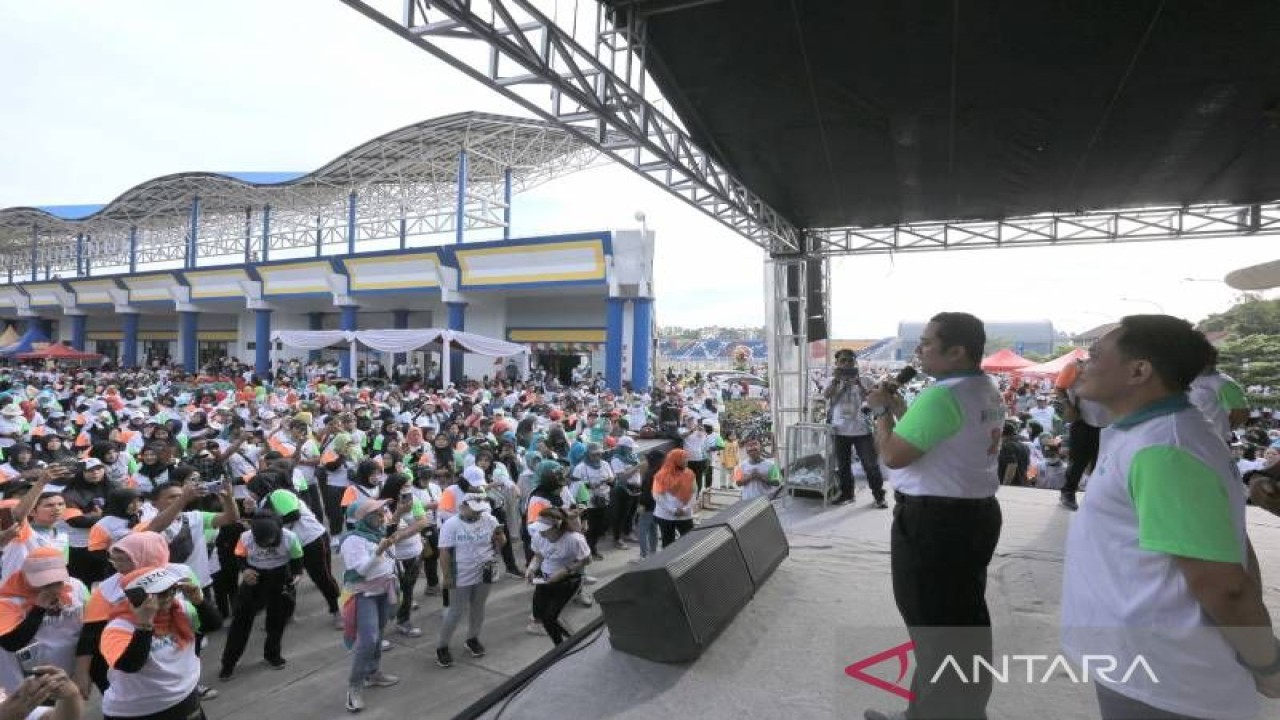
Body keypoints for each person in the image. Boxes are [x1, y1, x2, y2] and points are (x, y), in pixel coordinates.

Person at [1060, 315, 1280, 719]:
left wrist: (1266, 663)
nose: (1083, 365)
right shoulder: (1145, 434)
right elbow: (1232, 542)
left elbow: (1224, 585)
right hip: (1143, 665)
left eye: (1095, 354)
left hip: (1167, 682)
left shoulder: (1165, 449)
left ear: (1139, 370)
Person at [864, 312, 1005, 720]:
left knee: (934, 629)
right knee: (963, 621)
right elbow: (930, 435)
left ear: (956, 351)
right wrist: (898, 406)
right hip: (973, 515)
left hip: (935, 524)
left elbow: (893, 453)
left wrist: (879, 411)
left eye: (927, 343)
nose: (918, 352)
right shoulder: (982, 386)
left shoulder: (943, 395)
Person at [100, 565, 204, 720]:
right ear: (138, 598)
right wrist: (144, 624)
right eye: (161, 593)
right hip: (139, 712)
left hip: (185, 698)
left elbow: (213, 624)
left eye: (172, 589)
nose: (169, 596)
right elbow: (130, 665)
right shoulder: (117, 628)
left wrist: (199, 602)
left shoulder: (180, 609)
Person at [217, 514, 304, 681]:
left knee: (277, 620)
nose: (267, 546)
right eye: (262, 543)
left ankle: (272, 654)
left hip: (280, 576)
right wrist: (245, 570)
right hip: (255, 577)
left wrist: (296, 578)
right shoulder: (245, 537)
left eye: (271, 541)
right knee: (241, 621)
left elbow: (297, 563)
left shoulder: (290, 538)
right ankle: (228, 663)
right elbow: (239, 557)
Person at [338, 498, 402, 713]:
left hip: (384, 592)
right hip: (364, 595)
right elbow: (360, 571)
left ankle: (373, 673)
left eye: (382, 510)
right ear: (364, 518)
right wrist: (379, 552)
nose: (383, 514)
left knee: (378, 635)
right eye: (377, 512)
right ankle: (354, 688)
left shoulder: (376, 534)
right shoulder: (352, 540)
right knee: (368, 641)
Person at [0, 549, 89, 694]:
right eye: (44, 583)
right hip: (29, 683)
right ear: (26, 576)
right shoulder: (7, 601)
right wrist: (38, 608)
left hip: (68, 676)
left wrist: (83, 671)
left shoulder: (77, 587)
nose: (53, 587)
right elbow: (11, 643)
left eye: (57, 581)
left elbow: (90, 628)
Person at [435, 495, 505, 669]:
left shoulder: (489, 519)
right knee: (455, 611)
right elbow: (444, 552)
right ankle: (442, 646)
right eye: (474, 509)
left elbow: (501, 543)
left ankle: (472, 638)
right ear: (463, 507)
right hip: (461, 573)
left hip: (486, 569)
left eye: (480, 510)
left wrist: (499, 536)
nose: (478, 513)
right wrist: (447, 576)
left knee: (478, 606)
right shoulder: (451, 524)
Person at [824, 349, 887, 507]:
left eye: (850, 361)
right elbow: (827, 396)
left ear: (855, 363)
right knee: (843, 466)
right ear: (837, 363)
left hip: (862, 431)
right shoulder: (832, 381)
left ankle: (879, 496)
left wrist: (859, 385)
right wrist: (838, 383)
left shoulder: (866, 380)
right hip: (839, 430)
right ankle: (847, 494)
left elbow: (874, 399)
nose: (846, 364)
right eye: (843, 361)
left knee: (870, 465)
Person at [525, 507, 591, 645]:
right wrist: (531, 569)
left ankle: (570, 643)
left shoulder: (574, 539)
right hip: (545, 578)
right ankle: (561, 646)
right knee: (541, 616)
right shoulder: (538, 536)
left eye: (544, 528)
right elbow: (538, 556)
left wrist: (565, 571)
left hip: (569, 581)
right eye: (539, 527)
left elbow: (587, 560)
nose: (540, 531)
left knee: (551, 617)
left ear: (558, 526)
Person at [1054, 359, 1111, 511]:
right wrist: (1068, 405)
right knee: (1077, 461)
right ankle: (1068, 493)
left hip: (1108, 424)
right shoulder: (1075, 366)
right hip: (1082, 421)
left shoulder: (1118, 366)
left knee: (1101, 463)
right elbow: (1059, 387)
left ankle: (1095, 496)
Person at [651, 449, 696, 548]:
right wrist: (673, 510)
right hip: (666, 515)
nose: (686, 461)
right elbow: (657, 496)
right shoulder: (661, 475)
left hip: (685, 515)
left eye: (686, 458)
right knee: (668, 543)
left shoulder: (690, 474)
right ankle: (668, 563)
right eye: (683, 458)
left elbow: (693, 493)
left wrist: (685, 509)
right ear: (675, 460)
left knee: (689, 541)